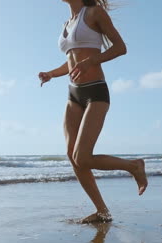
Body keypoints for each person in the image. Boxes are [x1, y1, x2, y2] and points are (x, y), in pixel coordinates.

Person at [38, 0, 148, 223]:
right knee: (73, 157)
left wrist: (92, 60)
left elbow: (120, 47)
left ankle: (133, 166)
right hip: (73, 94)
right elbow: (71, 62)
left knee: (83, 157)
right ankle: (102, 212)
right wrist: (51, 73)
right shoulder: (68, 23)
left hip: (95, 92)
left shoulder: (94, 13)